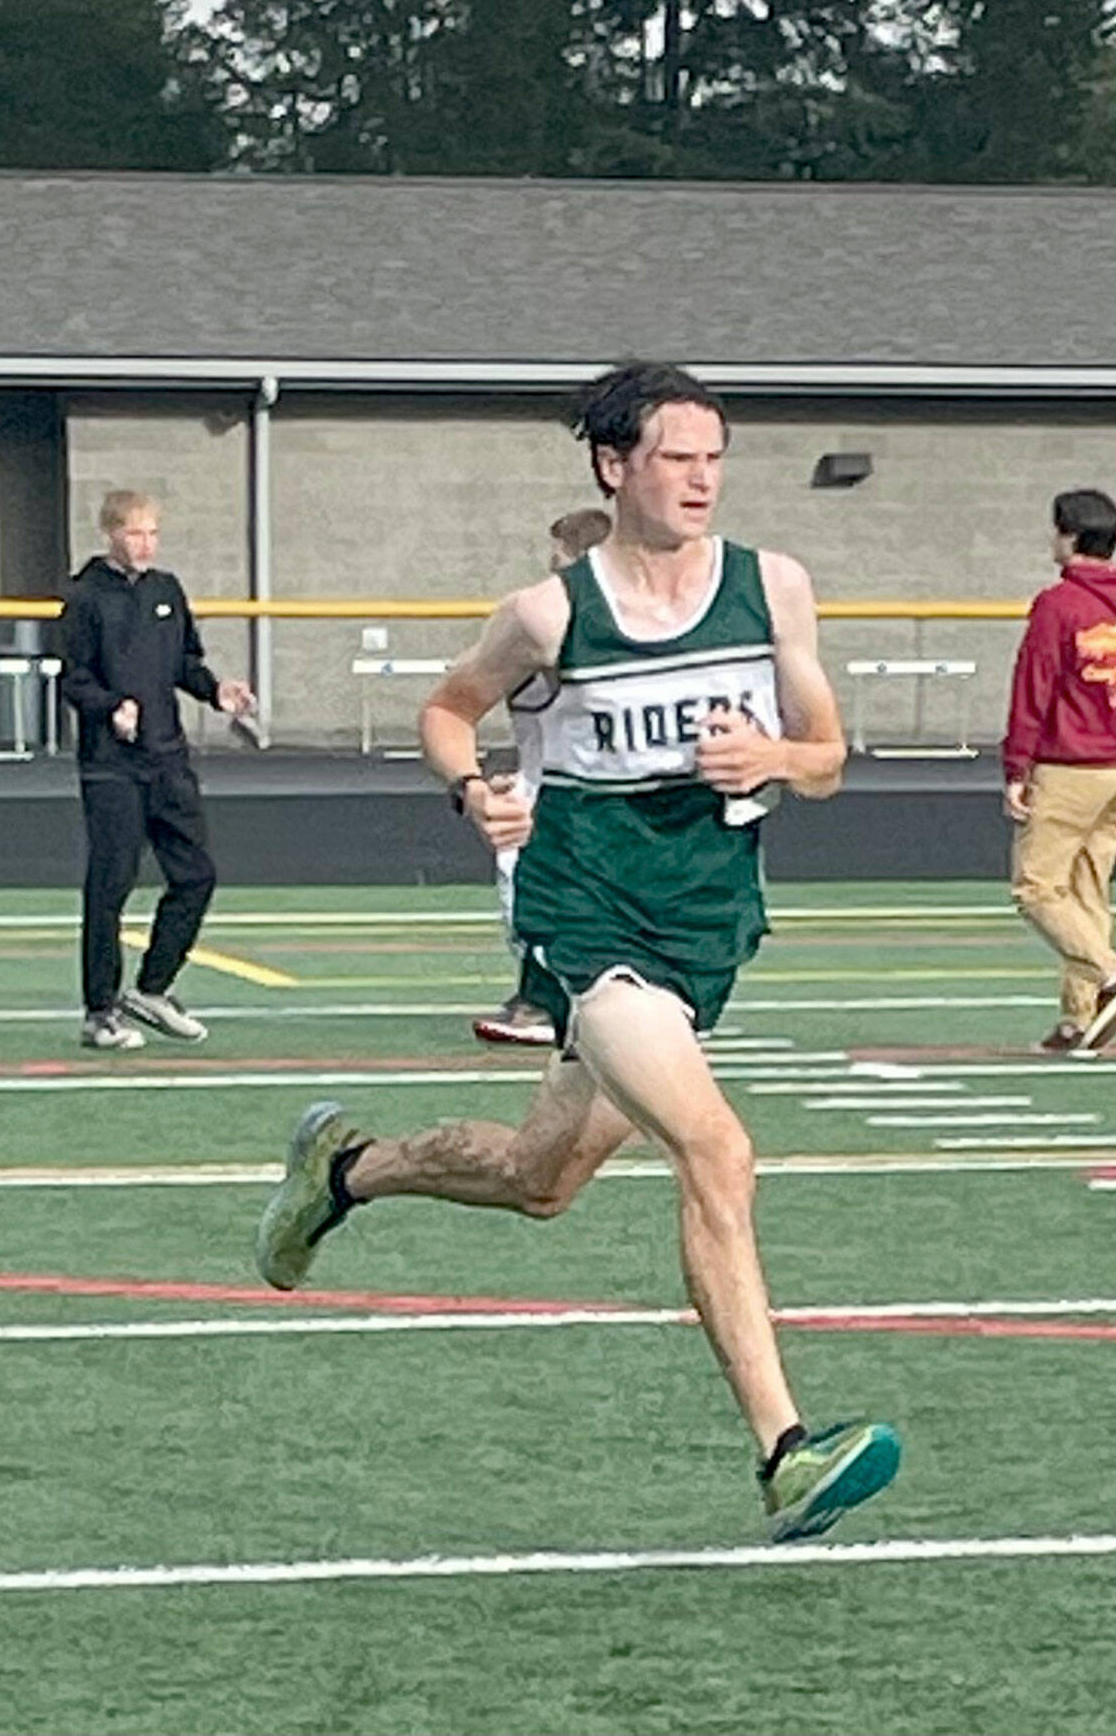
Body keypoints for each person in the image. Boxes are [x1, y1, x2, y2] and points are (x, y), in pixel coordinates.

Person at [256, 361, 901, 1543]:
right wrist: (473, 790)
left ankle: (342, 1169)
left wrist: (774, 757)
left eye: (713, 456)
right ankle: (785, 1451)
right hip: (585, 915)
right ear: (614, 466)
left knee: (538, 1178)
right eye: (674, 455)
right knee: (715, 1145)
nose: (700, 477)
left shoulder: (774, 589)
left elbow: (828, 753)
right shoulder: (553, 610)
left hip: (700, 923)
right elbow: (446, 707)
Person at [59, 490, 256, 1051]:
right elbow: (73, 679)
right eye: (135, 533)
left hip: (168, 760)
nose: (145, 543)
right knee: (110, 886)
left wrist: (218, 691)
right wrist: (109, 708)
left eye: (152, 533)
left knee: (196, 875)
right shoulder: (84, 597)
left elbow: (184, 664)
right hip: (111, 768)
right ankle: (100, 1011)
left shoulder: (166, 590)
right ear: (111, 534)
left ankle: (153, 988)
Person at [1003, 489, 1116, 1054]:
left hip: (1069, 767)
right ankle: (1079, 1018)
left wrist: (1016, 765)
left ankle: (1109, 973)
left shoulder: (1060, 604)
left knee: (1037, 889)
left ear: (1070, 536)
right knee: (1088, 894)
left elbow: (1034, 687)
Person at [473, 505, 612, 1048]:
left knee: (533, 895)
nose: (551, 564)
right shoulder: (539, 622)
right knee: (530, 896)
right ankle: (547, 997)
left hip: (573, 793)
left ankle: (549, 1002)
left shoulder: (575, 628)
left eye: (560, 553)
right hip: (541, 782)